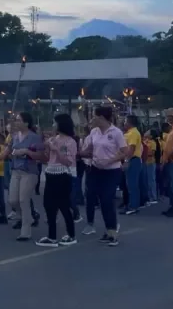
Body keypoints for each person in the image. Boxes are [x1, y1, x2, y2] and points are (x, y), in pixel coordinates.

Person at [80, 106, 127, 246]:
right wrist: (81, 152)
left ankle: (112, 232)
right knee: (94, 197)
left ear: (101, 118)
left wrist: (110, 160)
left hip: (112, 171)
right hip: (95, 169)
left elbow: (125, 151)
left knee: (107, 199)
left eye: (94, 116)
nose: (92, 119)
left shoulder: (116, 132)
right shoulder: (94, 132)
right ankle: (106, 229)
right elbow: (88, 149)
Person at [36, 114, 78, 248]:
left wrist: (55, 149)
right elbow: (48, 158)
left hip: (63, 175)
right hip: (50, 173)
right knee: (49, 205)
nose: (53, 125)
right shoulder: (54, 139)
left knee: (63, 205)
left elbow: (68, 161)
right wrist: (47, 148)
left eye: (55, 123)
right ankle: (52, 236)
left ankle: (71, 234)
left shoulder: (70, 142)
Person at [3, 112, 44, 242]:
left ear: (26, 123)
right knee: (12, 200)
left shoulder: (34, 137)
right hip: (15, 170)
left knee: (23, 200)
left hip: (29, 172)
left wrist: (27, 152)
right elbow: (7, 151)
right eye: (15, 120)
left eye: (19, 120)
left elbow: (41, 156)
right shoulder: (14, 136)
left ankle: (25, 231)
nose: (16, 122)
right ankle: (28, 218)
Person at [121, 115, 143, 215]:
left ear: (129, 122)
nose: (124, 123)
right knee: (130, 184)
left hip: (133, 160)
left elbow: (132, 148)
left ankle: (133, 206)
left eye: (125, 121)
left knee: (132, 185)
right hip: (132, 160)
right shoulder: (129, 133)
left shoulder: (133, 133)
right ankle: (132, 205)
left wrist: (127, 160)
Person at [161, 108, 173, 217]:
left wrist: (169, 157)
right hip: (170, 161)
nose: (167, 118)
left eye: (169, 116)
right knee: (172, 185)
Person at [143, 129, 159, 205]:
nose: (146, 132)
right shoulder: (145, 141)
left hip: (151, 163)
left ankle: (154, 197)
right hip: (145, 163)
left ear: (151, 135)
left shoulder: (152, 143)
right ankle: (149, 197)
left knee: (151, 180)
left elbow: (152, 153)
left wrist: (145, 155)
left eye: (148, 132)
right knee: (146, 180)